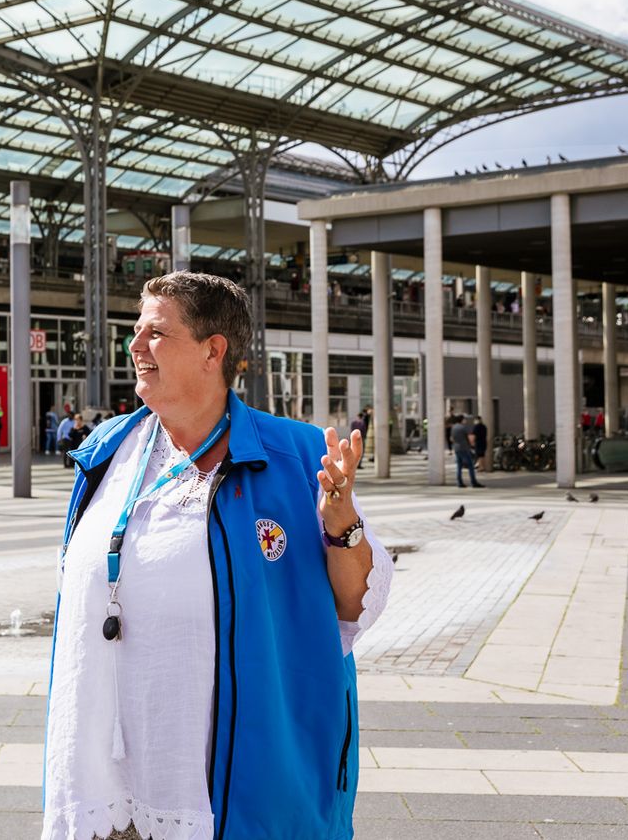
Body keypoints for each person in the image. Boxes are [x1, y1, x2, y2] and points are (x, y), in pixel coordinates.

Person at [44, 272, 391, 840]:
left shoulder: (295, 454)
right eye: (136, 331)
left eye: (156, 333)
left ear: (213, 350)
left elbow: (354, 606)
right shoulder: (107, 451)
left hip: (230, 779)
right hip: (107, 778)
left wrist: (340, 525)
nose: (134, 346)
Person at [450, 414, 483, 488]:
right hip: (464, 448)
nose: (465, 421)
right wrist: (472, 445)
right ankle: (473, 482)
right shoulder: (463, 428)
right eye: (464, 419)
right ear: (461, 420)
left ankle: (459, 482)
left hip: (456, 448)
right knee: (470, 465)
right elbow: (470, 437)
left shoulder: (454, 428)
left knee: (459, 465)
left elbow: (451, 439)